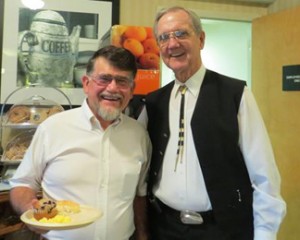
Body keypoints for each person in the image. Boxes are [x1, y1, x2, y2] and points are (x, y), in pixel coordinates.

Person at [138, 6, 286, 240]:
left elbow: (264, 175)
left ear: (201, 39)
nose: (172, 44)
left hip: (222, 230)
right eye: (163, 37)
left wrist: (265, 234)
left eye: (181, 33)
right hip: (164, 229)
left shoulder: (235, 94)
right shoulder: (153, 102)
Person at [9, 45, 151, 240]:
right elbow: (23, 183)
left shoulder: (138, 134)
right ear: (86, 83)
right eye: (104, 79)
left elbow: (139, 194)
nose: (113, 88)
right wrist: (30, 210)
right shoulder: (53, 128)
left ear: (132, 90)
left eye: (122, 81)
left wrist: (143, 235)